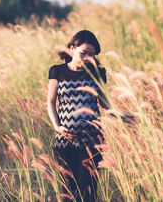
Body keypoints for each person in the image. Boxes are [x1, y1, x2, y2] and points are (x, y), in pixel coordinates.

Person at [47, 30, 109, 202]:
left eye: (91, 55)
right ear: (73, 48)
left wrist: (120, 114)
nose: (87, 57)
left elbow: (105, 104)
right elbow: (51, 102)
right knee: (68, 192)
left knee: (88, 192)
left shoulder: (97, 73)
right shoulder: (57, 71)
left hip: (92, 141)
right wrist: (57, 127)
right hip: (65, 141)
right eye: (83, 52)